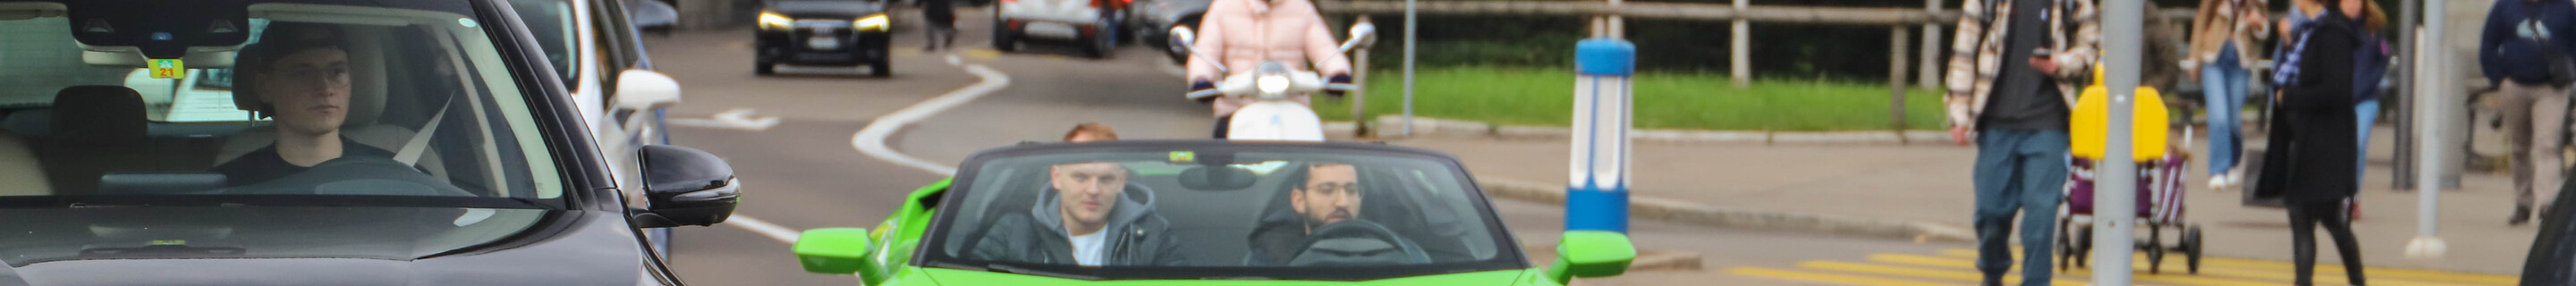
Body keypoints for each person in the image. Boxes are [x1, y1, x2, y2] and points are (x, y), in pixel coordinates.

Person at [1941, 0, 2097, 283]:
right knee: (1990, 212)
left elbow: (2090, 48)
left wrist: (2060, 62)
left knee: (2041, 217)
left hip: (2048, 123)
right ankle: (1993, 271)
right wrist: (1959, 113)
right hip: (1996, 120)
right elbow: (1963, 52)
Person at [2258, 0, 2368, 282]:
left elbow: (2337, 91)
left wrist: (2290, 97)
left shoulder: (2331, 33)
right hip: (2306, 141)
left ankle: (2356, 280)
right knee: (2305, 217)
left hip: (2324, 144)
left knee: (2328, 219)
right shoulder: (2310, 29)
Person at [214, 23, 395, 187]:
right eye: (303, 73)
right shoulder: (229, 187)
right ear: (265, 87)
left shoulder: (396, 177)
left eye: (337, 72)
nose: (325, 88)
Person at [1182, 0, 1352, 139]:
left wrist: (1337, 72)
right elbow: (1206, 49)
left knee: (1312, 164)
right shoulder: (1223, 7)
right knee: (1218, 164)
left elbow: (1323, 46)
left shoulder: (1300, 7)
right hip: (1237, 105)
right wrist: (1202, 79)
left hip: (1290, 100)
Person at [968, 160, 1188, 266]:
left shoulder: (1152, 232)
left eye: (1106, 179)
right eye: (1080, 177)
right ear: (1056, 177)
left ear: (1121, 181)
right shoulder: (1012, 230)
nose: (1093, 190)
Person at [2480, 0, 2576, 225]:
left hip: (2551, 88)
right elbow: (2489, 43)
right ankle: (2523, 203)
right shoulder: (2505, 7)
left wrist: (2570, 74)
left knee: (2548, 145)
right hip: (2515, 85)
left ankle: (2546, 205)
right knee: (2519, 147)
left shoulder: (2563, 7)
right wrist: (2498, 78)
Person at [2189, 0, 2267, 190]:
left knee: (2233, 120)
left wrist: (2257, 24)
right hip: (2213, 58)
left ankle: (2232, 160)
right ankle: (2218, 170)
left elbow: (2263, 32)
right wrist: (2194, 58)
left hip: (2240, 61)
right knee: (2218, 117)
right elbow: (2201, 21)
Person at [1245, 163, 1362, 265]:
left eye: (1351, 190)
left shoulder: (1380, 247)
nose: (1343, 202)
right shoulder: (1271, 257)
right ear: (1299, 201)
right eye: (1327, 190)